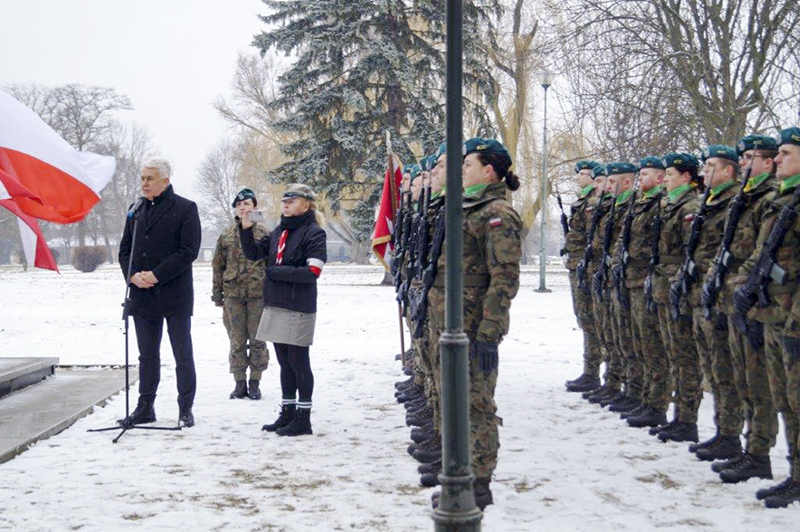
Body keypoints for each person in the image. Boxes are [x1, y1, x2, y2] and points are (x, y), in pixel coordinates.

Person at [428, 137, 522, 510]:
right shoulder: (466, 207)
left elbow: (504, 278)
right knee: (453, 399)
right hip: (448, 320)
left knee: (476, 403)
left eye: (467, 165)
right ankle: (459, 470)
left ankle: (479, 482)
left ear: (489, 170)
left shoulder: (496, 213)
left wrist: (489, 331)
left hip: (473, 325)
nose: (461, 170)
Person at [733, 127, 800, 507]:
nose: (777, 160)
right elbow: (761, 257)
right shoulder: (782, 200)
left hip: (792, 319)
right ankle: (793, 473)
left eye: (786, 153)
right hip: (772, 313)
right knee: (786, 401)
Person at [711, 134, 779, 484]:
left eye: (752, 157)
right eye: (744, 156)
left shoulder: (769, 200)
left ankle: (758, 453)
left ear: (768, 164)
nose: (745, 162)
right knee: (740, 377)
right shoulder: (745, 197)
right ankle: (739, 443)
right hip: (736, 296)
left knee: (759, 384)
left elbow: (760, 252)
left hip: (761, 302)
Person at [117, 158, 201, 428]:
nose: (144, 183)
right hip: (142, 295)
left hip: (174, 294)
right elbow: (125, 250)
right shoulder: (136, 209)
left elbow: (188, 251)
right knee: (147, 356)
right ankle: (145, 407)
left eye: (150, 178)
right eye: (142, 178)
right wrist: (132, 276)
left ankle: (185, 408)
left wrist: (156, 274)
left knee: (182, 354)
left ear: (165, 181)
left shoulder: (186, 208)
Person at [240, 184, 327, 437]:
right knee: (284, 363)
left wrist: (276, 273)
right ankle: (287, 412)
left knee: (299, 362)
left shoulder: (314, 233)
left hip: (298, 307)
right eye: (284, 200)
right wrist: (246, 229)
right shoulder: (279, 231)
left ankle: (303, 418)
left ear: (307, 205)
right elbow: (255, 253)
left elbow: (313, 272)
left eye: (292, 200)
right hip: (276, 303)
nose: (286, 203)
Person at [650, 153, 703, 443]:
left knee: (685, 356)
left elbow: (691, 252)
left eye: (670, 174)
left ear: (685, 177)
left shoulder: (690, 207)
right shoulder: (670, 206)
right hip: (664, 284)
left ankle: (688, 419)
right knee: (674, 353)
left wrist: (679, 282)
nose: (665, 178)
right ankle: (679, 417)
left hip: (679, 288)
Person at [212, 188, 269, 400]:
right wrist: (217, 294)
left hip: (258, 295)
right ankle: (239, 383)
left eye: (247, 204)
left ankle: (255, 382)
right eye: (239, 205)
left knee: (258, 340)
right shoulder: (226, 235)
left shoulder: (264, 234)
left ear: (254, 207)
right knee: (236, 341)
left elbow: (270, 264)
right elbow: (218, 266)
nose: (243, 208)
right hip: (233, 296)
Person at [564, 160, 604, 393]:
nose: (578, 178)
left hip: (588, 267)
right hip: (578, 265)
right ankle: (591, 370)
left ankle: (593, 372)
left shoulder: (593, 203)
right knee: (584, 318)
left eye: (582, 174)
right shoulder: (583, 202)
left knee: (591, 319)